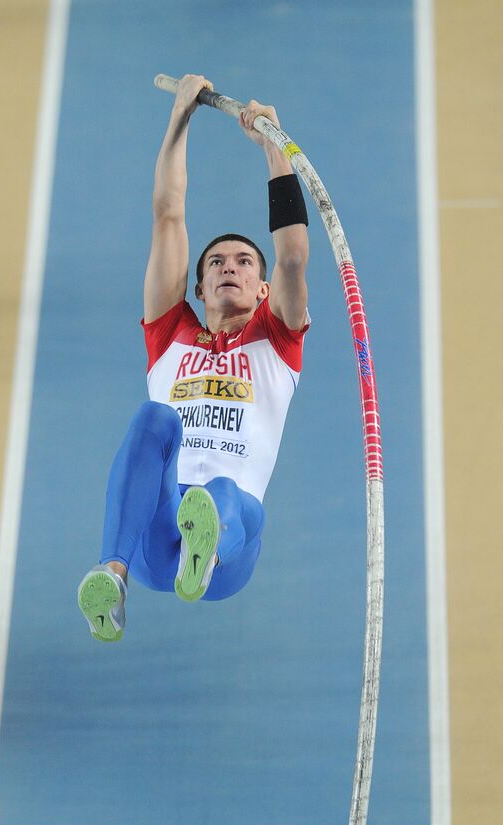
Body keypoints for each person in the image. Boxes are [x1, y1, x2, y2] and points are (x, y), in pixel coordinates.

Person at [78, 74, 310, 642]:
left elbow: (294, 256)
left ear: (262, 291)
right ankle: (113, 577)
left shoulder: (276, 341)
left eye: (243, 263)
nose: (229, 266)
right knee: (153, 418)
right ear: (199, 289)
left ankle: (204, 552)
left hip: (234, 545)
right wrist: (179, 117)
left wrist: (276, 150)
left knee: (222, 495)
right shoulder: (170, 335)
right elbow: (168, 216)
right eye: (216, 264)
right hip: (158, 535)